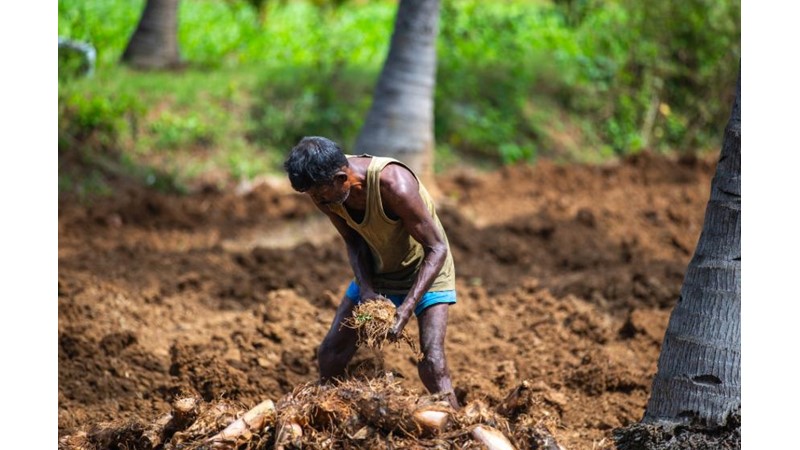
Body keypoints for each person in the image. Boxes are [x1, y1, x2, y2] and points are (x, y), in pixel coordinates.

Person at [283, 136, 459, 408]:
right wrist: (366, 290)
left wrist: (407, 307)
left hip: (425, 268)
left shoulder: (394, 185)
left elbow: (436, 248)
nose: (317, 201)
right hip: (378, 268)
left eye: (319, 194)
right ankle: (330, 417)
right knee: (331, 354)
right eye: (312, 195)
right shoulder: (327, 193)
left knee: (432, 362)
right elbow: (353, 241)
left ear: (342, 178)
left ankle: (458, 426)